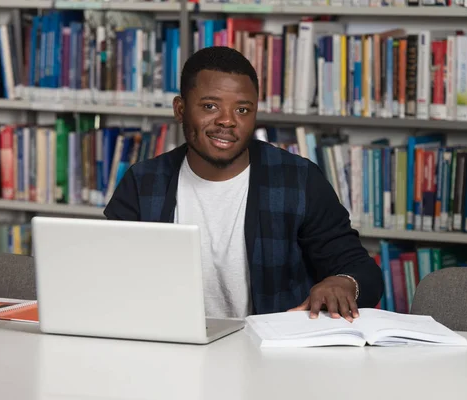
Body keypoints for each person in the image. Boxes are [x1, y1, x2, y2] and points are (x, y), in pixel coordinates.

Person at [103, 46, 384, 322]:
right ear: (180, 109)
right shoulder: (143, 182)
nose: (227, 120)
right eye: (210, 106)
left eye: (242, 109)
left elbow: (362, 271)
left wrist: (345, 282)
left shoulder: (298, 180)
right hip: (170, 347)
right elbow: (105, 271)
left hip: (272, 355)